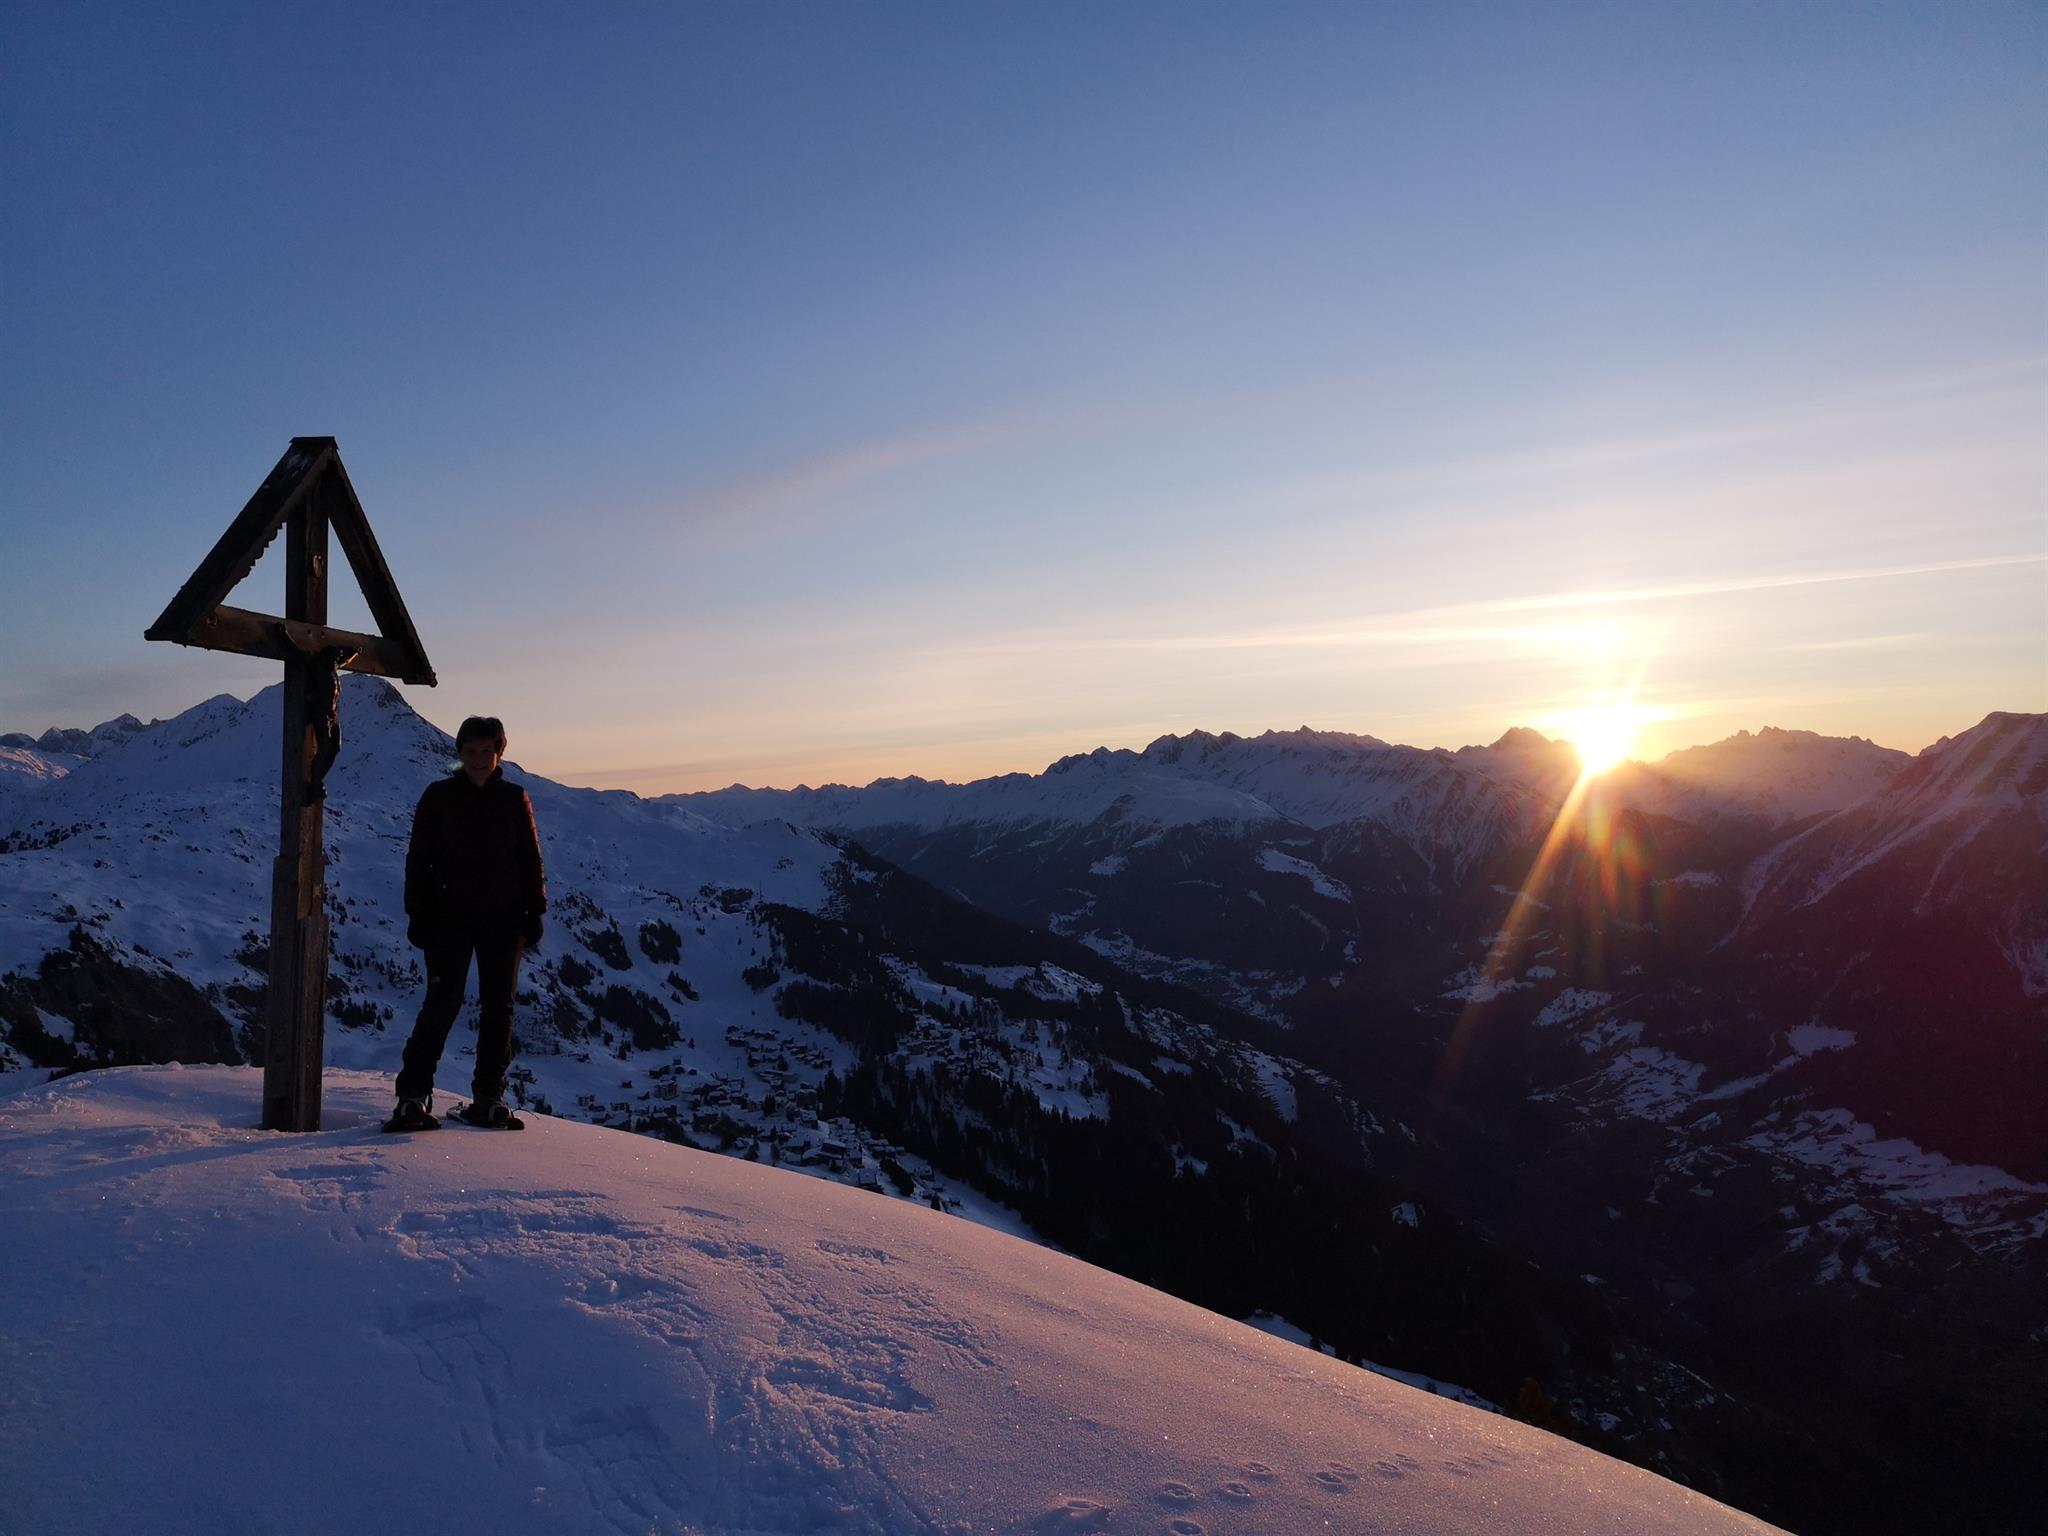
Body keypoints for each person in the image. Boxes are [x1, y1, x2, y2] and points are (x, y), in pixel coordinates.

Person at [387, 715, 546, 1131]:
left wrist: (535, 911)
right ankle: (412, 1097)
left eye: (486, 751)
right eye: (470, 751)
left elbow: (530, 859)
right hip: (448, 918)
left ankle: (489, 1098)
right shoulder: (438, 797)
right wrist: (417, 913)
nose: (478, 759)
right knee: (442, 1003)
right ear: (459, 753)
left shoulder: (514, 799)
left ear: (499, 754)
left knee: (499, 1008)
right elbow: (418, 859)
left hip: (503, 919)